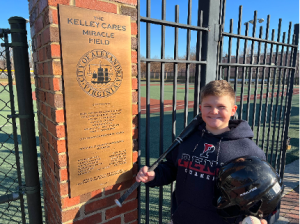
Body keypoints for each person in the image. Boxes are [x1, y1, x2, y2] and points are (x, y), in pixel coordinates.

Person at [136, 80, 268, 224]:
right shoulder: (187, 140)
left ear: (233, 110)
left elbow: (261, 194)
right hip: (182, 219)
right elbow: (172, 168)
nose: (214, 111)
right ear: (200, 108)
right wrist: (154, 175)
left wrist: (259, 218)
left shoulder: (248, 150)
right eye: (208, 106)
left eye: (221, 106)